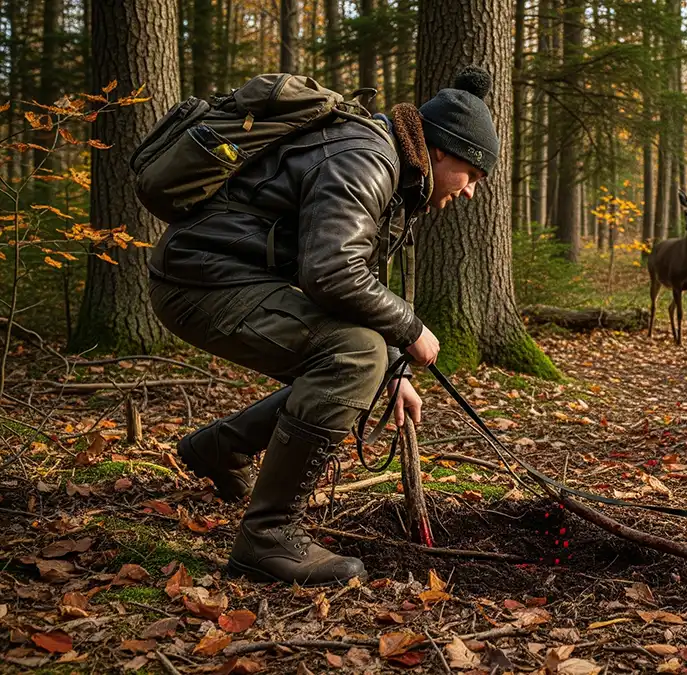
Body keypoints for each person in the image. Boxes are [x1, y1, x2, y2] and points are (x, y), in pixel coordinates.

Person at [148, 67, 499, 586]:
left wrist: (396, 367)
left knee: (367, 356)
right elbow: (332, 273)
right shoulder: (367, 160)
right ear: (442, 151)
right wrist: (411, 328)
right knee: (353, 355)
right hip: (198, 282)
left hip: (213, 275)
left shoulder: (392, 167)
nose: (470, 192)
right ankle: (267, 536)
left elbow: (352, 281)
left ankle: (220, 448)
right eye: (473, 174)